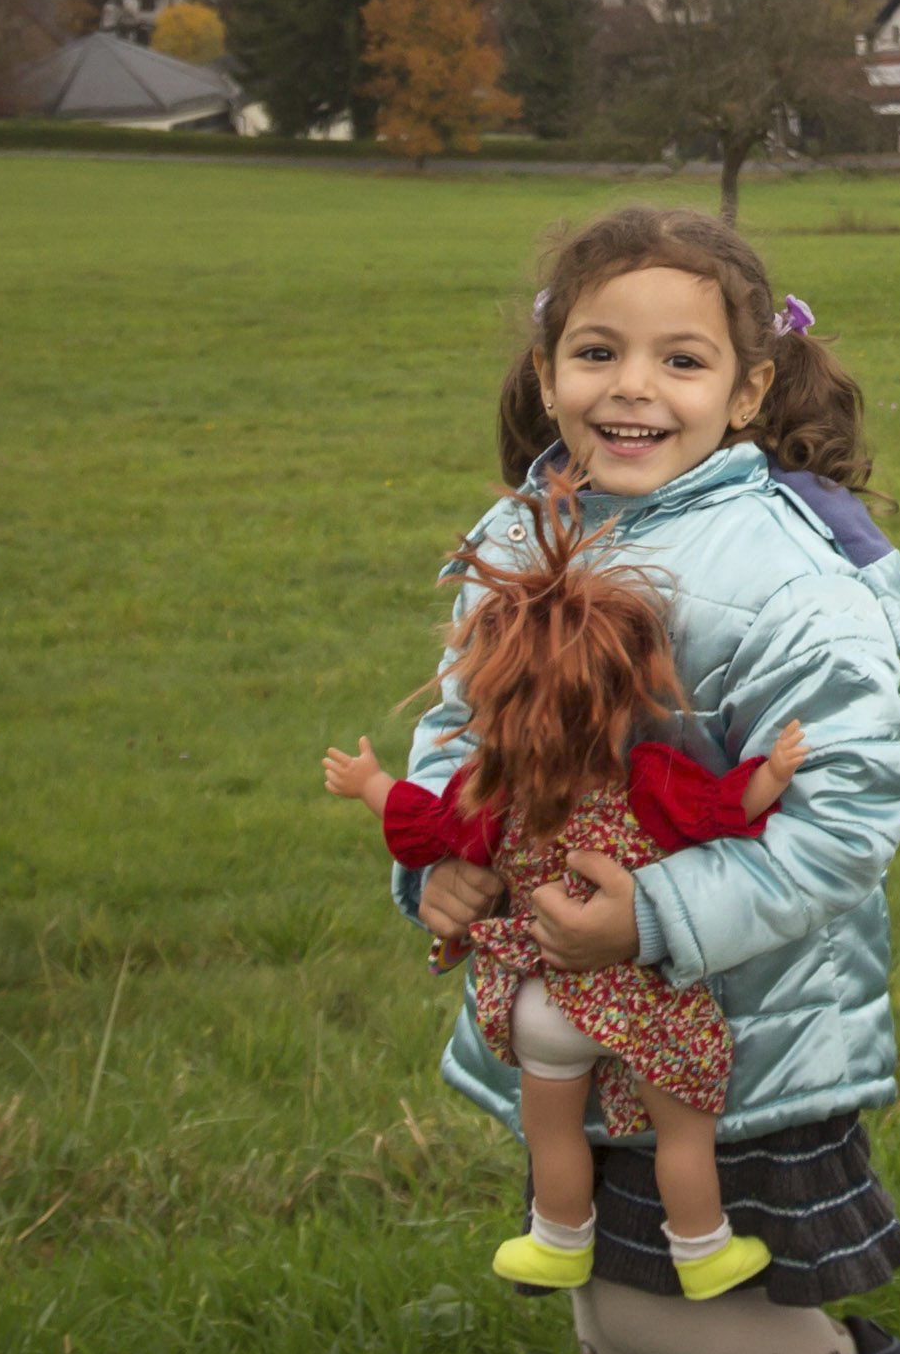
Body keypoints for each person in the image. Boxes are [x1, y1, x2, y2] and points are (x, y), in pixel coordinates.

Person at [387, 203, 900, 1354]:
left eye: (680, 362)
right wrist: (444, 856)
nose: (631, 388)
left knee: (654, 1282)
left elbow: (853, 808)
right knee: (592, 1241)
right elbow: (460, 730)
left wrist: (659, 917)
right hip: (569, 999)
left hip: (730, 1018)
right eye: (596, 351)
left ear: (748, 391)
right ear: (549, 365)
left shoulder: (785, 579)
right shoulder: (521, 529)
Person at [320, 521, 811, 1301]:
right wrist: (772, 776)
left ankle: (555, 1238)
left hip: (541, 997)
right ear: (623, 702)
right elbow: (720, 811)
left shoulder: (491, 791)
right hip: (638, 994)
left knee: (550, 1128)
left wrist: (370, 783)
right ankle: (703, 1247)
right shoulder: (647, 778)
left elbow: (424, 823)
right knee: (683, 1129)